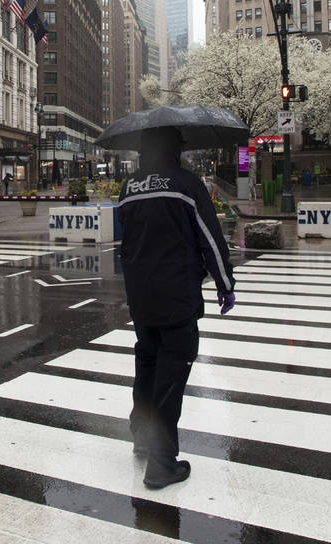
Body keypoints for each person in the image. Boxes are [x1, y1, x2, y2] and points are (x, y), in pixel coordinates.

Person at [117, 127, 236, 489]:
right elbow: (211, 238)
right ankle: (162, 463)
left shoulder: (129, 188)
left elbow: (129, 239)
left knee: (148, 361)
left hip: (140, 294)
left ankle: (142, 436)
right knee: (171, 372)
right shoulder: (186, 184)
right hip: (176, 294)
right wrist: (225, 284)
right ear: (173, 150)